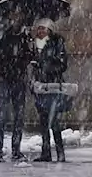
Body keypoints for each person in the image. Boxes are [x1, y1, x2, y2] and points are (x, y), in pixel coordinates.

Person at [0, 10, 33, 163]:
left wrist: (28, 47)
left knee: (19, 116)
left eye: (19, 17)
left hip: (18, 79)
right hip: (5, 79)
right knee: (1, 115)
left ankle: (16, 149)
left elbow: (30, 56)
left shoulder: (25, 36)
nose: (16, 19)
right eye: (13, 16)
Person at [29, 18, 69, 163]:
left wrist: (46, 65)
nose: (40, 31)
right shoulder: (34, 44)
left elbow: (63, 64)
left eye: (43, 28)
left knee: (53, 121)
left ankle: (60, 152)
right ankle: (46, 152)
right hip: (40, 85)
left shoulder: (57, 43)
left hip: (52, 85)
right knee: (43, 120)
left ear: (50, 30)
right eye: (38, 28)